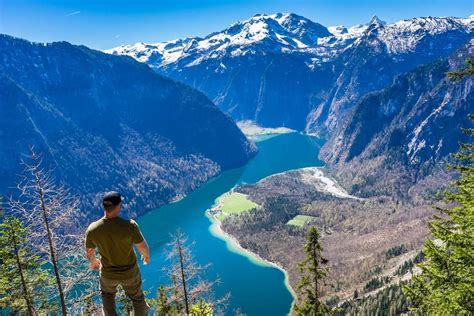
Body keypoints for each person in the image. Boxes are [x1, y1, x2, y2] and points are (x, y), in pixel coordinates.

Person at [85, 191, 150, 315]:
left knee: (107, 296)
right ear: (118, 206)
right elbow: (142, 245)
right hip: (129, 273)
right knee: (137, 298)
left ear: (104, 207)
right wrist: (146, 256)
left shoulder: (93, 229)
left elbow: (89, 250)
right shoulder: (129, 226)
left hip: (108, 274)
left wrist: (93, 261)